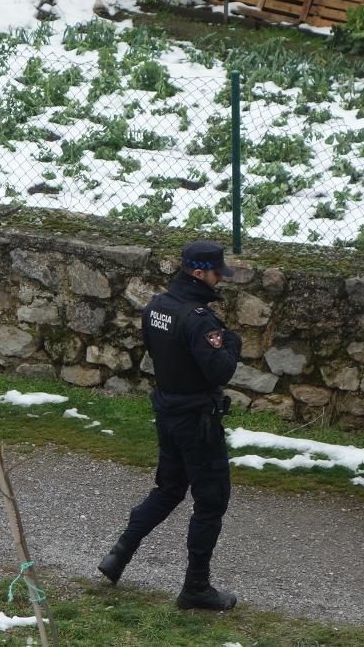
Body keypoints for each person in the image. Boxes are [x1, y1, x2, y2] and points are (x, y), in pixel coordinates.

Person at [97, 240, 241, 610]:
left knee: (168, 489)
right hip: (198, 422)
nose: (219, 281)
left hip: (168, 414)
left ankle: (119, 555)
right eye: (215, 273)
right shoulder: (199, 319)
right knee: (211, 502)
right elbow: (220, 369)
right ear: (199, 273)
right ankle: (196, 588)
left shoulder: (157, 307)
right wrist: (232, 344)